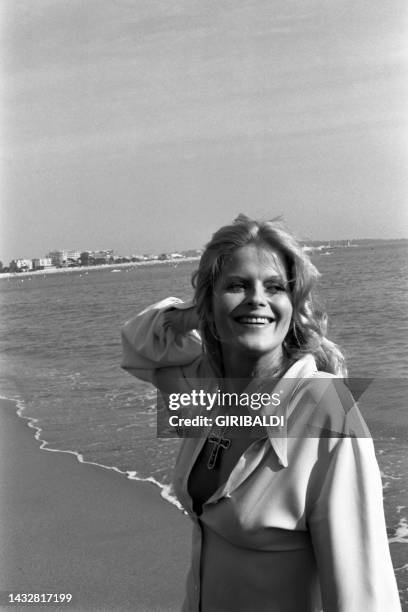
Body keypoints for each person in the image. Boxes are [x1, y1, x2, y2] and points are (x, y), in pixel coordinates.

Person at [121, 215, 401, 612]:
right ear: (209, 303)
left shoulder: (329, 407)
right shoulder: (210, 386)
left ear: (293, 305)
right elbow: (138, 345)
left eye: (274, 288)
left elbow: (363, 592)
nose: (257, 298)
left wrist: (221, 302)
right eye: (237, 285)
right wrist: (194, 311)